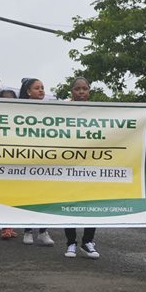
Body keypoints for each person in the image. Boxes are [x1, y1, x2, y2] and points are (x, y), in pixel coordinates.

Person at [63, 77, 99, 259]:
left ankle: (88, 241)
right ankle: (71, 242)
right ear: (72, 91)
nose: (81, 92)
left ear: (89, 91)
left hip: (90, 165)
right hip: (68, 164)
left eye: (85, 88)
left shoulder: (99, 111)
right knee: (68, 202)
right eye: (78, 89)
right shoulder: (63, 110)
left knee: (92, 203)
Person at [19, 78, 54, 246]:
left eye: (42, 88)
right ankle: (27, 231)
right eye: (37, 88)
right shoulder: (21, 110)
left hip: (45, 159)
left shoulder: (49, 110)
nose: (41, 90)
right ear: (28, 92)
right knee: (29, 196)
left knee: (45, 196)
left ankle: (43, 231)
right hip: (27, 159)